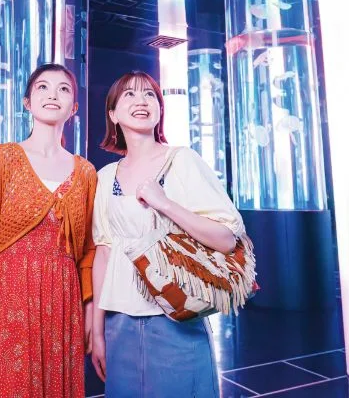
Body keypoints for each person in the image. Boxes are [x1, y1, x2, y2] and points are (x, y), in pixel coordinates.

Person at [91, 71, 245, 397]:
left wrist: (165, 204)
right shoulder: (105, 177)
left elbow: (226, 239)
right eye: (129, 94)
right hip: (119, 322)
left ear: (160, 109)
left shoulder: (182, 160)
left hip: (176, 319)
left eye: (149, 94)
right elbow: (103, 253)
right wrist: (98, 331)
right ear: (113, 114)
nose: (142, 101)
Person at [0, 63, 97, 397]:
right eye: (43, 87)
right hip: (8, 300)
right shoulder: (2, 158)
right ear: (27, 102)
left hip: (64, 308)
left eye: (63, 89)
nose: (53, 94)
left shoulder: (86, 172)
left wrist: (90, 313)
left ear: (74, 107)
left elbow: (88, 253)